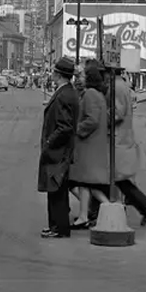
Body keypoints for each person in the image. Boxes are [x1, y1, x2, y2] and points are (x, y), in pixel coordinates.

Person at [111, 66, 146, 226]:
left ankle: (145, 204)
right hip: (124, 138)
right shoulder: (123, 85)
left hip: (118, 138)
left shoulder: (115, 87)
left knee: (117, 177)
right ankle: (140, 203)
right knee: (119, 178)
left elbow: (117, 114)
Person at [37, 57, 79, 239]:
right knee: (55, 190)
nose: (52, 74)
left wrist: (49, 143)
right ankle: (55, 225)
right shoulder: (67, 92)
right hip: (60, 151)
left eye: (54, 72)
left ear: (59, 74)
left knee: (57, 191)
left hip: (58, 152)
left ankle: (59, 228)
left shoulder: (64, 95)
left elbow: (65, 126)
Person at [69, 61, 110, 230]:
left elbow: (92, 120)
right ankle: (84, 215)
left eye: (83, 75)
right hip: (92, 145)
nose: (80, 78)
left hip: (89, 145)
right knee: (85, 183)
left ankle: (109, 209)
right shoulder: (96, 94)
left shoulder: (90, 94)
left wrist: (77, 130)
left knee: (87, 182)